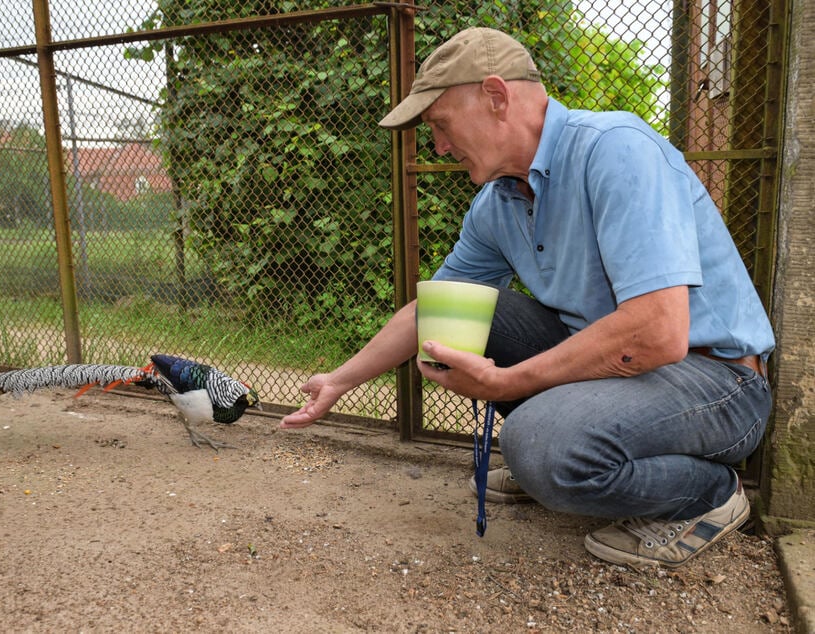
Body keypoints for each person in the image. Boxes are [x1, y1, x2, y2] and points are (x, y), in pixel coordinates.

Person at [280, 27, 774, 568]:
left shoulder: (615, 149)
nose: (439, 146)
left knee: (540, 448)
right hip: (626, 373)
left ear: (495, 96)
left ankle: (706, 495)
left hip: (719, 384)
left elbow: (656, 332)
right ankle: (576, 443)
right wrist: (339, 381)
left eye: (441, 125)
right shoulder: (499, 202)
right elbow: (432, 311)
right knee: (461, 318)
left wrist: (504, 384)